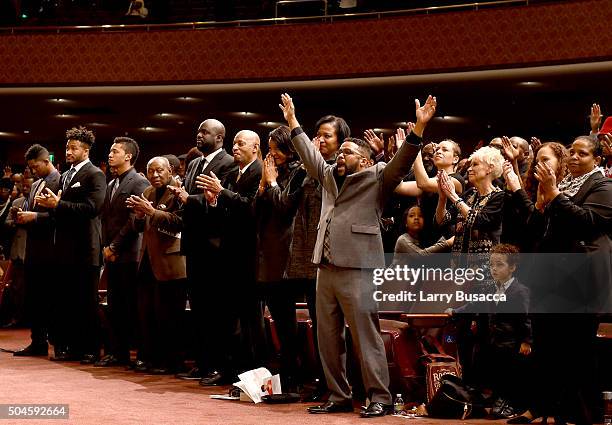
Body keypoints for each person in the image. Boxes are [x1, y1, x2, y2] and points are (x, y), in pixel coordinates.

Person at [279, 92, 436, 417]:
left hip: (359, 268)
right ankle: (338, 395)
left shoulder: (377, 177)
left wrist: (418, 129)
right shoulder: (327, 178)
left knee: (366, 337)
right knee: (327, 338)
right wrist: (293, 122)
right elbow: (310, 155)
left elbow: (401, 163)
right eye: (340, 152)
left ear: (364, 161)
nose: (340, 156)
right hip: (325, 267)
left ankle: (379, 396)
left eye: (348, 152)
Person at [506, 135, 611, 425]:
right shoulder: (562, 186)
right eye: (572, 152)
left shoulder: (603, 186)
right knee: (547, 347)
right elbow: (539, 231)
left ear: (597, 159)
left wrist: (554, 196)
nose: (575, 157)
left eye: (583, 153)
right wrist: (540, 207)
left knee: (577, 350)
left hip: (582, 278)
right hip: (552, 275)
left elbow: (588, 223)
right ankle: (544, 407)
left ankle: (585, 413)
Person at [167, 119, 236, 383]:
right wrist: (182, 195)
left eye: (204, 132)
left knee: (216, 311)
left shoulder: (228, 163)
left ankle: (220, 365)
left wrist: (189, 199)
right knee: (199, 310)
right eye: (198, 131)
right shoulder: (195, 163)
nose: (199, 135)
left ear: (219, 138)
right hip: (194, 244)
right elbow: (190, 201)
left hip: (216, 246)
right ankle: (204, 362)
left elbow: (221, 203)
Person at [35, 126, 106, 363]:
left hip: (86, 248)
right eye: (67, 147)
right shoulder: (65, 175)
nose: (68, 151)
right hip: (65, 249)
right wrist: (49, 206)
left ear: (86, 151)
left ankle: (91, 349)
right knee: (68, 302)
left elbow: (93, 208)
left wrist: (58, 205)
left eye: (74, 148)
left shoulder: (95, 174)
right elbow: (61, 211)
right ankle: (73, 347)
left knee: (86, 302)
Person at [198, 129, 264, 383]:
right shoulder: (233, 173)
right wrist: (213, 200)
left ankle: (250, 373)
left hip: (248, 254)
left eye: (240, 143)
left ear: (255, 148)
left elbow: (249, 209)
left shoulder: (259, 171)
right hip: (228, 253)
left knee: (247, 319)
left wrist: (222, 193)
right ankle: (230, 370)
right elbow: (224, 213)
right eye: (234, 143)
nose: (234, 148)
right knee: (227, 316)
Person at [255, 125, 307, 391]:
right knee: (278, 320)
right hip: (267, 251)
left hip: (287, 253)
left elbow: (286, 207)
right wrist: (264, 185)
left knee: (288, 324)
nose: (271, 153)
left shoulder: (300, 171)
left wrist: (272, 182)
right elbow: (257, 212)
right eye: (270, 147)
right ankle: (284, 375)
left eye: (276, 148)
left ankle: (294, 377)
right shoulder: (271, 171)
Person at [126, 156, 186, 374]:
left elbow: (180, 222)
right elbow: (139, 225)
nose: (155, 175)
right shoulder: (148, 192)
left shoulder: (179, 191)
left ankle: (172, 362)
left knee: (170, 317)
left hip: (171, 261)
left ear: (169, 170)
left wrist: (152, 212)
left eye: (159, 171)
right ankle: (150, 358)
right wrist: (140, 215)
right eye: (151, 171)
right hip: (148, 260)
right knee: (147, 314)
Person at [97, 137, 149, 367]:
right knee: (115, 306)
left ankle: (136, 354)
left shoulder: (138, 181)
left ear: (128, 156)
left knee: (131, 306)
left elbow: (132, 222)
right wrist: (106, 248)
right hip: (113, 254)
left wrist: (114, 246)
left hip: (130, 254)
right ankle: (117, 352)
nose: (110, 155)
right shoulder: (111, 183)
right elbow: (106, 221)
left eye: (114, 151)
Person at [12, 144, 61, 356]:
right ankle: (37, 341)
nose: (32, 171)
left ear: (46, 161)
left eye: (35, 166)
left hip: (52, 248)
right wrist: (22, 215)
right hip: (34, 248)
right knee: (34, 299)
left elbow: (61, 217)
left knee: (50, 299)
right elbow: (32, 213)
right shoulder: (35, 185)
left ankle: (56, 342)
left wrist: (35, 217)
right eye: (30, 168)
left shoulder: (59, 181)